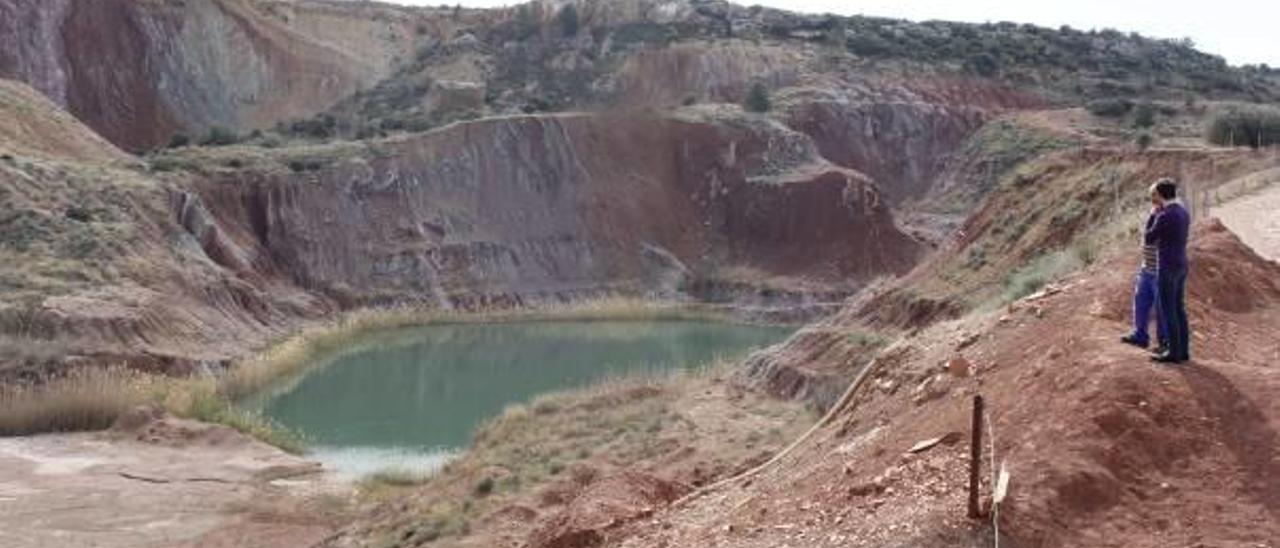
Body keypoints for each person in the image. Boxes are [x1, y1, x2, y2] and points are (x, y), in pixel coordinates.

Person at [1144, 178, 1191, 364]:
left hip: (1167, 266)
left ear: (1162, 194)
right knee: (1179, 308)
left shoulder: (1164, 215)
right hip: (1181, 264)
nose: (1153, 198)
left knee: (1168, 309)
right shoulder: (1183, 212)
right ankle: (1183, 351)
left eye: (1155, 194)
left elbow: (1148, 238)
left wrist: (1152, 215)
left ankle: (1173, 352)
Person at [1120, 200, 1167, 352]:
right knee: (1141, 303)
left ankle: (1166, 343)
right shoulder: (1154, 215)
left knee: (1163, 310)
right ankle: (1140, 335)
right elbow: (1147, 237)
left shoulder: (1170, 217)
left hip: (1161, 272)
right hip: (1147, 269)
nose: (1154, 203)